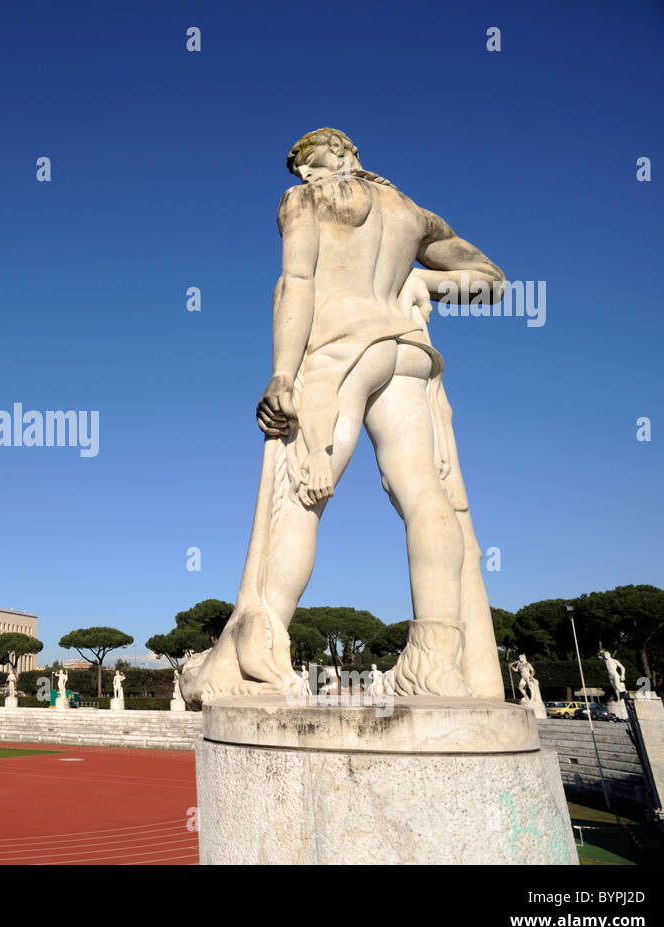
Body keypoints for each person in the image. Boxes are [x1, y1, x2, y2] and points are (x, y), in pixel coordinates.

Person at [184, 128, 505, 703]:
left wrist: (283, 374)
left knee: (302, 497)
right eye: (302, 170)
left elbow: (297, 282)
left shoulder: (304, 202)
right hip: (405, 351)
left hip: (338, 351)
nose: (305, 176)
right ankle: (435, 665)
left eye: (310, 162)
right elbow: (490, 285)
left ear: (340, 153)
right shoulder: (411, 212)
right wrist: (416, 279)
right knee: (424, 495)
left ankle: (263, 649)